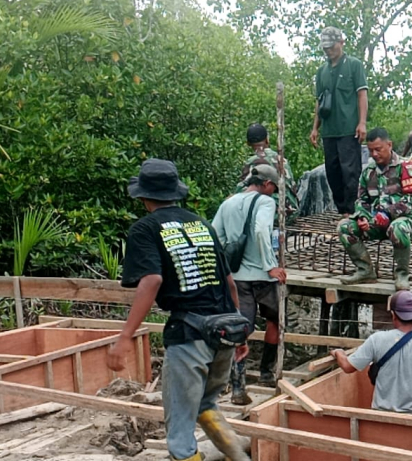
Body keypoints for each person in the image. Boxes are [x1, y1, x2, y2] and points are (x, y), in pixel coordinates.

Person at [107, 159, 250, 461]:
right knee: (206, 406)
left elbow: (152, 280)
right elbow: (229, 284)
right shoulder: (201, 224)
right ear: (175, 192)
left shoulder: (145, 229)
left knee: (180, 434)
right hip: (225, 330)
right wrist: (240, 335)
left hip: (190, 336)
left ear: (143, 196)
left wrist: (124, 337)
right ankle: (241, 458)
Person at [213, 165, 287, 405]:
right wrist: (269, 266)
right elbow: (260, 230)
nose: (273, 194)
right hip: (262, 278)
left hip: (237, 278)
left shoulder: (228, 203)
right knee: (275, 319)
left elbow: (216, 235)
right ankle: (266, 373)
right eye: (273, 189)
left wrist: (225, 267)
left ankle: (237, 386)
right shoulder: (265, 203)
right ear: (266, 184)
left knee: (238, 327)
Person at [329, 290, 412, 416]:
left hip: (381, 418)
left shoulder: (377, 340)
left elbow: (347, 367)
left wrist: (338, 353)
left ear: (393, 315)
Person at [337, 128, 412, 290]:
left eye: (378, 149)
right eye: (371, 151)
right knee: (344, 227)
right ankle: (365, 270)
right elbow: (362, 200)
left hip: (406, 221)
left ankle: (402, 275)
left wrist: (387, 214)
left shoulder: (406, 167)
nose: (374, 154)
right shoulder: (368, 172)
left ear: (389, 145)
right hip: (376, 222)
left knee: (397, 228)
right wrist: (362, 217)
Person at [310, 27, 369, 216]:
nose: (328, 50)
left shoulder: (354, 65)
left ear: (341, 43)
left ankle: (352, 212)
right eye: (325, 47)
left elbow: (362, 94)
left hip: (348, 129)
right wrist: (315, 129)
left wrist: (362, 122)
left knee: (350, 172)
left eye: (331, 46)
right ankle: (341, 210)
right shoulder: (322, 72)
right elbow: (319, 102)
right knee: (332, 173)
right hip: (329, 130)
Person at [235, 122, 299, 223]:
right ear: (267, 140)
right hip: (290, 213)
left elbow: (239, 193)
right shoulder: (282, 160)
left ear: (248, 143)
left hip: (270, 216)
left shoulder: (252, 162)